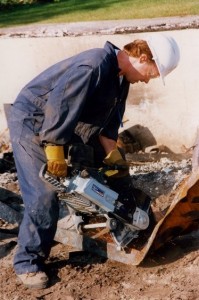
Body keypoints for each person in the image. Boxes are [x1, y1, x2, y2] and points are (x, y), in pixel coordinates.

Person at [8, 33, 180, 289]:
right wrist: (54, 148)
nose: (146, 80)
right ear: (143, 57)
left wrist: (114, 160)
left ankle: (119, 216)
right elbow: (60, 104)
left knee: (108, 170)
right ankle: (28, 262)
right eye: (151, 74)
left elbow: (107, 127)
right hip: (34, 120)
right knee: (44, 194)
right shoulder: (95, 64)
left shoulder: (120, 80)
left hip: (60, 124)